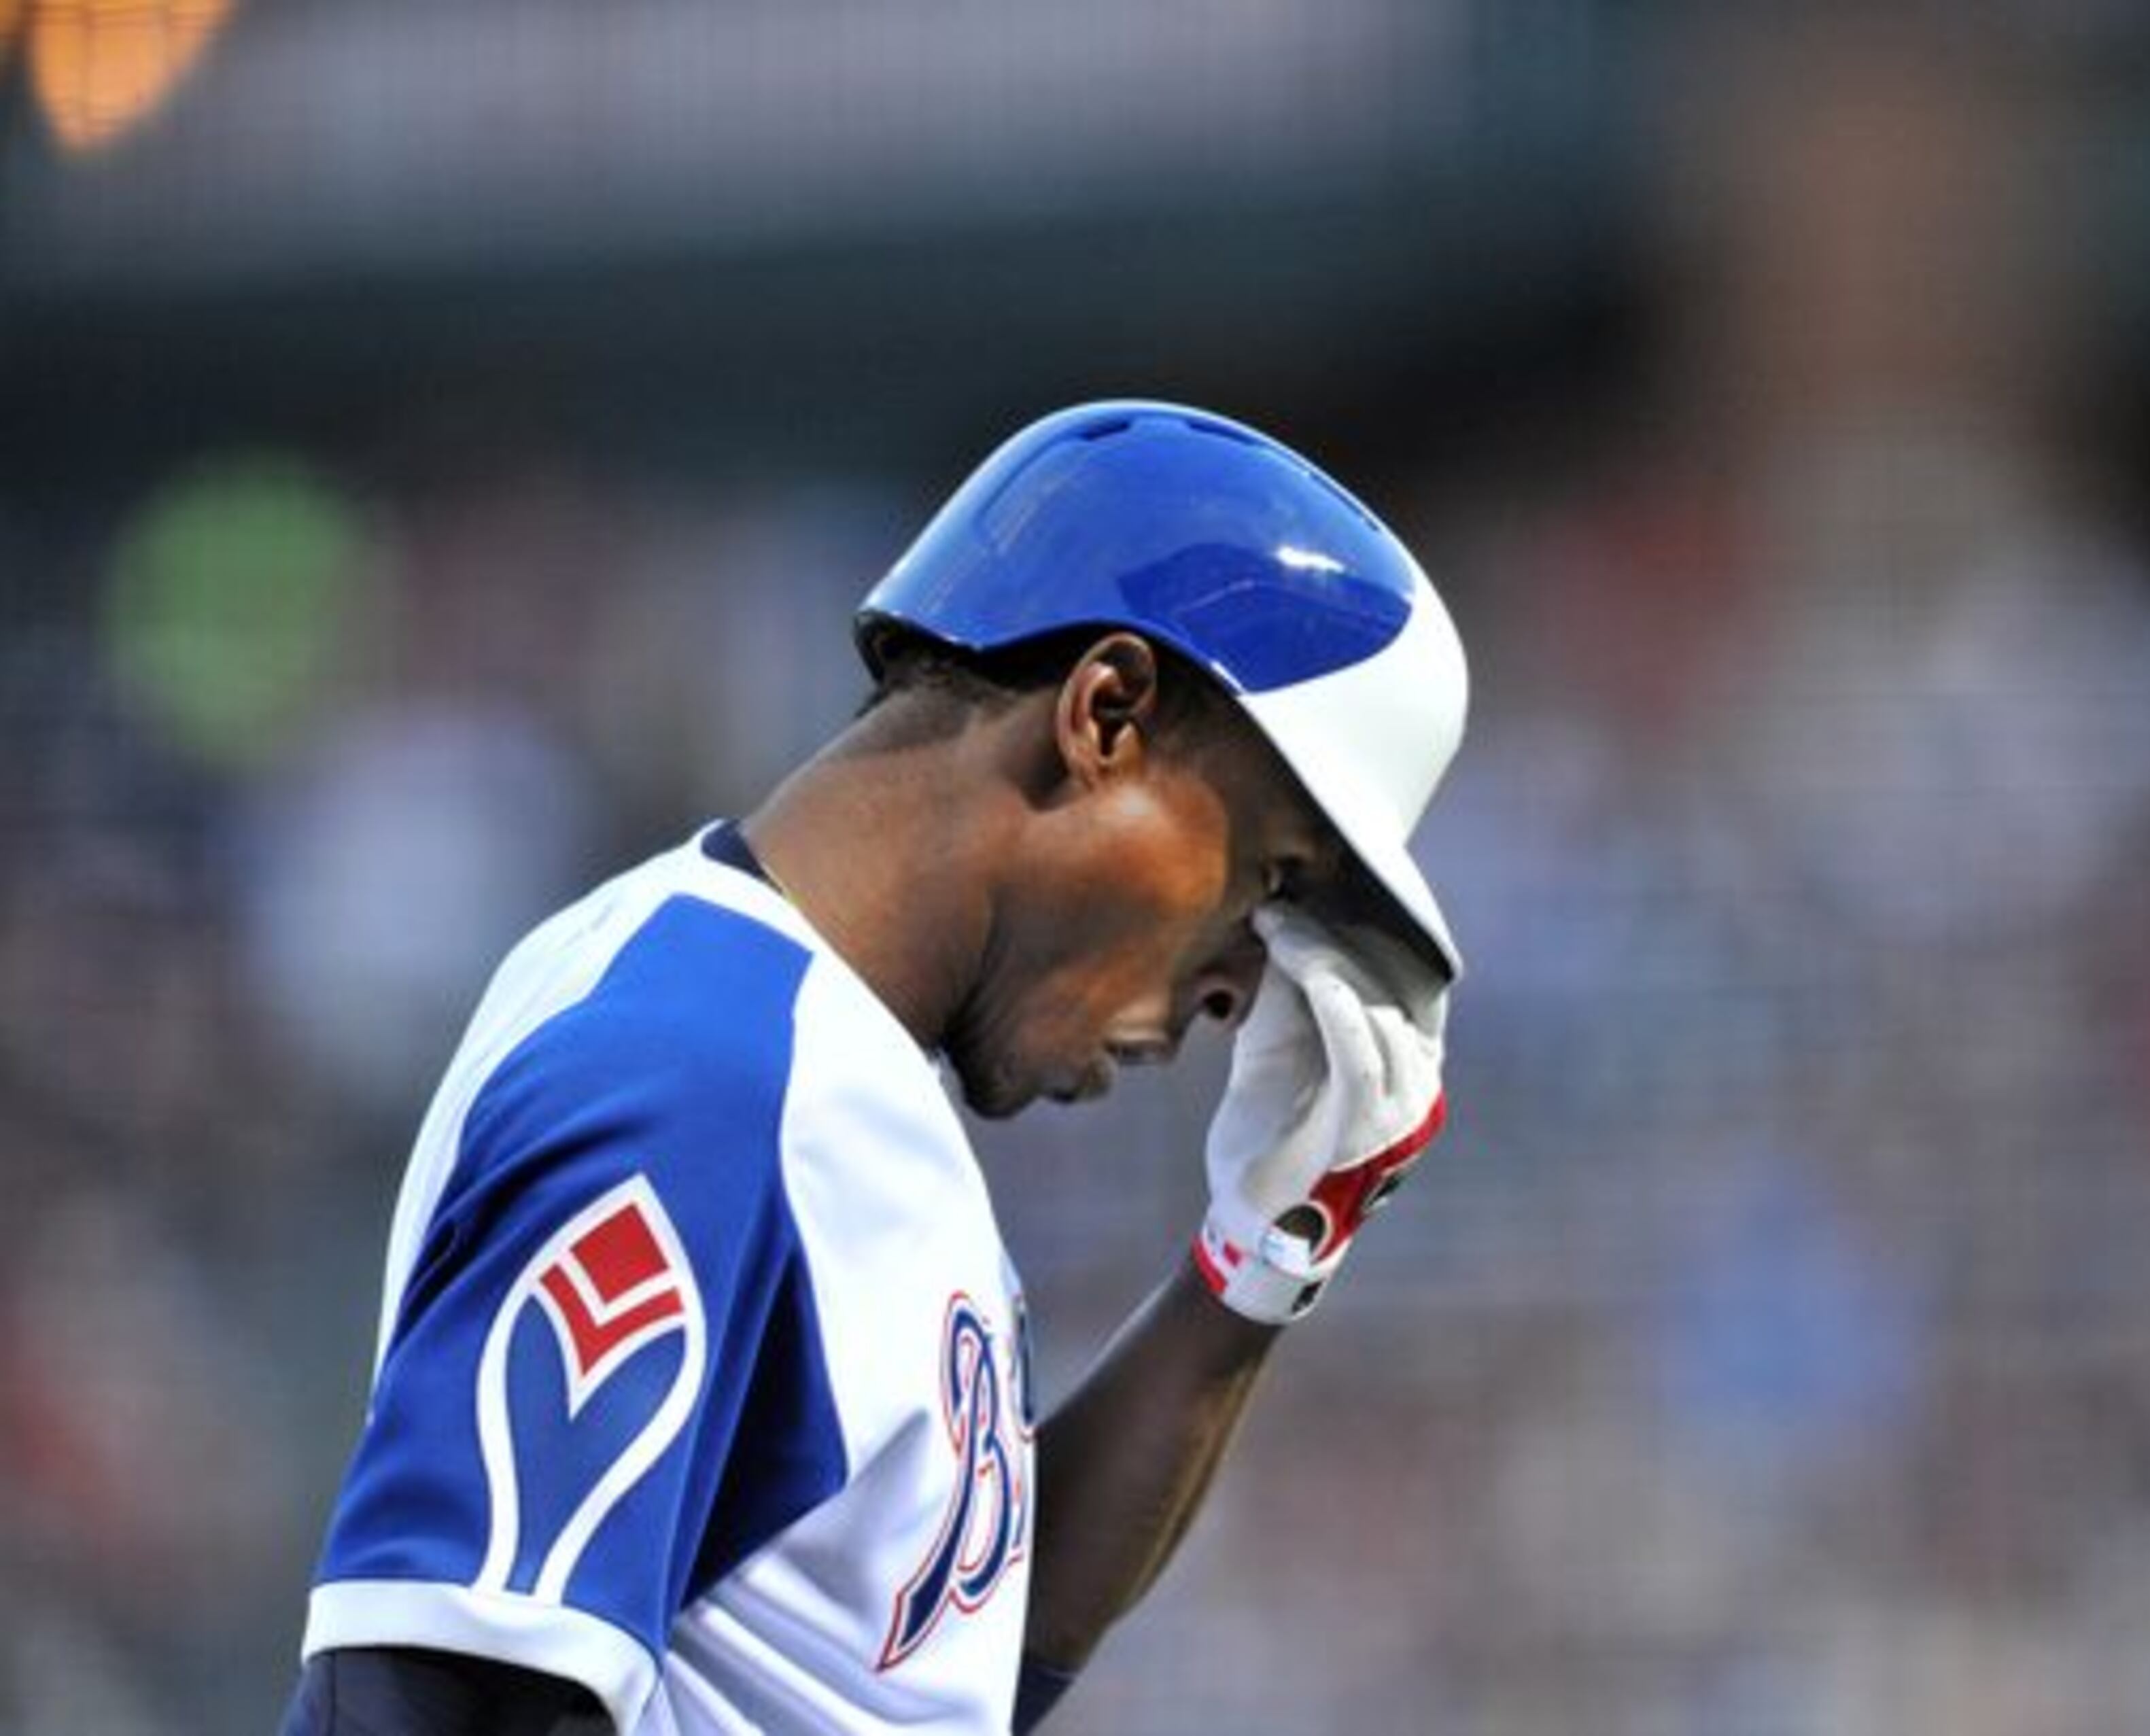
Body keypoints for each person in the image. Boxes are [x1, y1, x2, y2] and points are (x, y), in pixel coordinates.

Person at [279, 401, 1470, 1735]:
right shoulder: (696, 1063)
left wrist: (1257, 1260)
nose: (1237, 985)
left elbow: (933, 1667)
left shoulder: (825, 1069)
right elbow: (436, 1697)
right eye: (1268, 876)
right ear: (1107, 713)